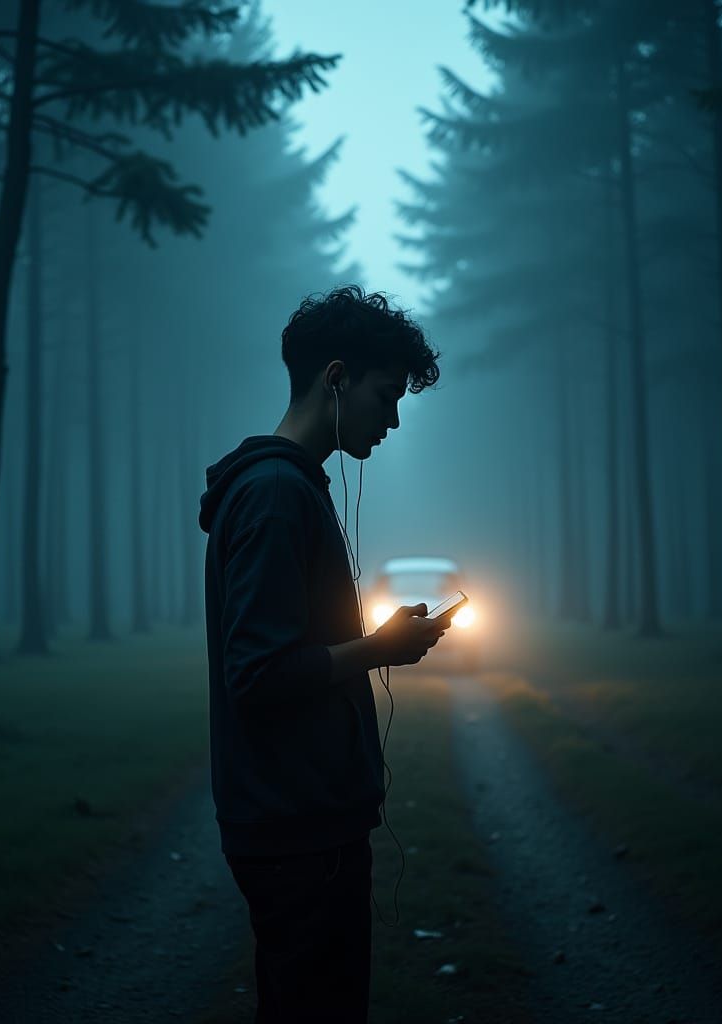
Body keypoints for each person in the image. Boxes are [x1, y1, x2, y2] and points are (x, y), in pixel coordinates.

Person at [197, 285, 444, 1023]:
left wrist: (374, 643)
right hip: (298, 831)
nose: (394, 419)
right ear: (335, 377)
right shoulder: (275, 494)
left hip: (305, 822)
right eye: (386, 395)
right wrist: (378, 648)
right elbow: (260, 674)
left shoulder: (291, 487)